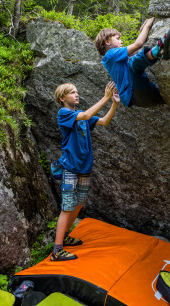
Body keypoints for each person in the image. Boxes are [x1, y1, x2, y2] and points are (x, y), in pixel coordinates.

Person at [51, 81, 120, 261]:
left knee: (79, 204)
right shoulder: (64, 113)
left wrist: (114, 104)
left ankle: (64, 236)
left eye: (77, 92)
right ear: (62, 98)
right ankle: (57, 251)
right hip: (71, 167)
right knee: (67, 207)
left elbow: (104, 121)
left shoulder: (81, 117)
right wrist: (105, 97)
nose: (77, 94)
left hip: (84, 167)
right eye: (72, 92)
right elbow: (88, 113)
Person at [95, 18, 170, 108]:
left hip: (146, 94)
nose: (121, 41)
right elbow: (138, 44)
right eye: (117, 38)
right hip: (136, 94)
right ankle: (158, 51)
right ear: (107, 42)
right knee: (132, 64)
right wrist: (147, 26)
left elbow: (137, 51)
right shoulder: (110, 55)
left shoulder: (113, 59)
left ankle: (160, 52)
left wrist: (141, 33)